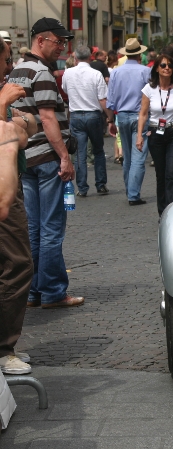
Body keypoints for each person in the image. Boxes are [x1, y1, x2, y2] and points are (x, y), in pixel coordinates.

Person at [8, 17, 85, 309]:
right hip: (47, 158)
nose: (63, 48)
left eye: (65, 42)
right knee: (51, 228)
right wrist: (64, 157)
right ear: (41, 40)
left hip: (25, 157)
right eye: (58, 42)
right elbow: (48, 118)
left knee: (33, 228)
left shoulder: (16, 70)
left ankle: (31, 291)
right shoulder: (41, 72)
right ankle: (52, 291)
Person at [0, 37, 35, 374]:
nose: (10, 66)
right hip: (3, 191)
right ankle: (3, 348)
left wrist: (19, 123)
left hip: (11, 187)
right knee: (18, 263)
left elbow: (27, 129)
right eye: (6, 59)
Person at [137, 56, 173, 217]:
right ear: (157, 68)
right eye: (163, 65)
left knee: (171, 173)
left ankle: (172, 212)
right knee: (161, 175)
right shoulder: (149, 89)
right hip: (155, 133)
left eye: (170, 65)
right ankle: (163, 213)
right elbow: (142, 114)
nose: (167, 68)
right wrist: (139, 136)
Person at [61, 45, 115, 197]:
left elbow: (65, 89)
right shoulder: (96, 74)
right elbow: (103, 98)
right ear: (91, 57)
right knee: (98, 150)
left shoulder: (68, 73)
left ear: (75, 58)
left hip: (76, 115)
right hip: (94, 115)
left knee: (80, 153)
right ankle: (101, 184)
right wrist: (110, 117)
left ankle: (82, 187)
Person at [107, 37, 152, 206]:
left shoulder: (116, 72)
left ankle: (129, 189)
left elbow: (110, 99)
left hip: (122, 116)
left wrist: (110, 120)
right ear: (139, 54)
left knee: (127, 156)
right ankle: (133, 194)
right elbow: (152, 95)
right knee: (139, 156)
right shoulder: (145, 71)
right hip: (140, 115)